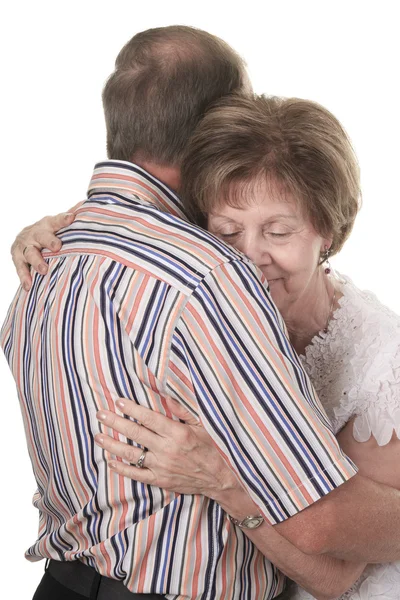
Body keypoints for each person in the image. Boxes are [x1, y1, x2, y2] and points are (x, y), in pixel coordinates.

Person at [5, 29, 400, 600]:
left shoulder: (48, 263)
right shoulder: (207, 277)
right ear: (211, 134)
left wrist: (225, 481)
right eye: (230, 230)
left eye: (279, 230)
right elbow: (325, 552)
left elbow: (330, 547)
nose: (250, 251)